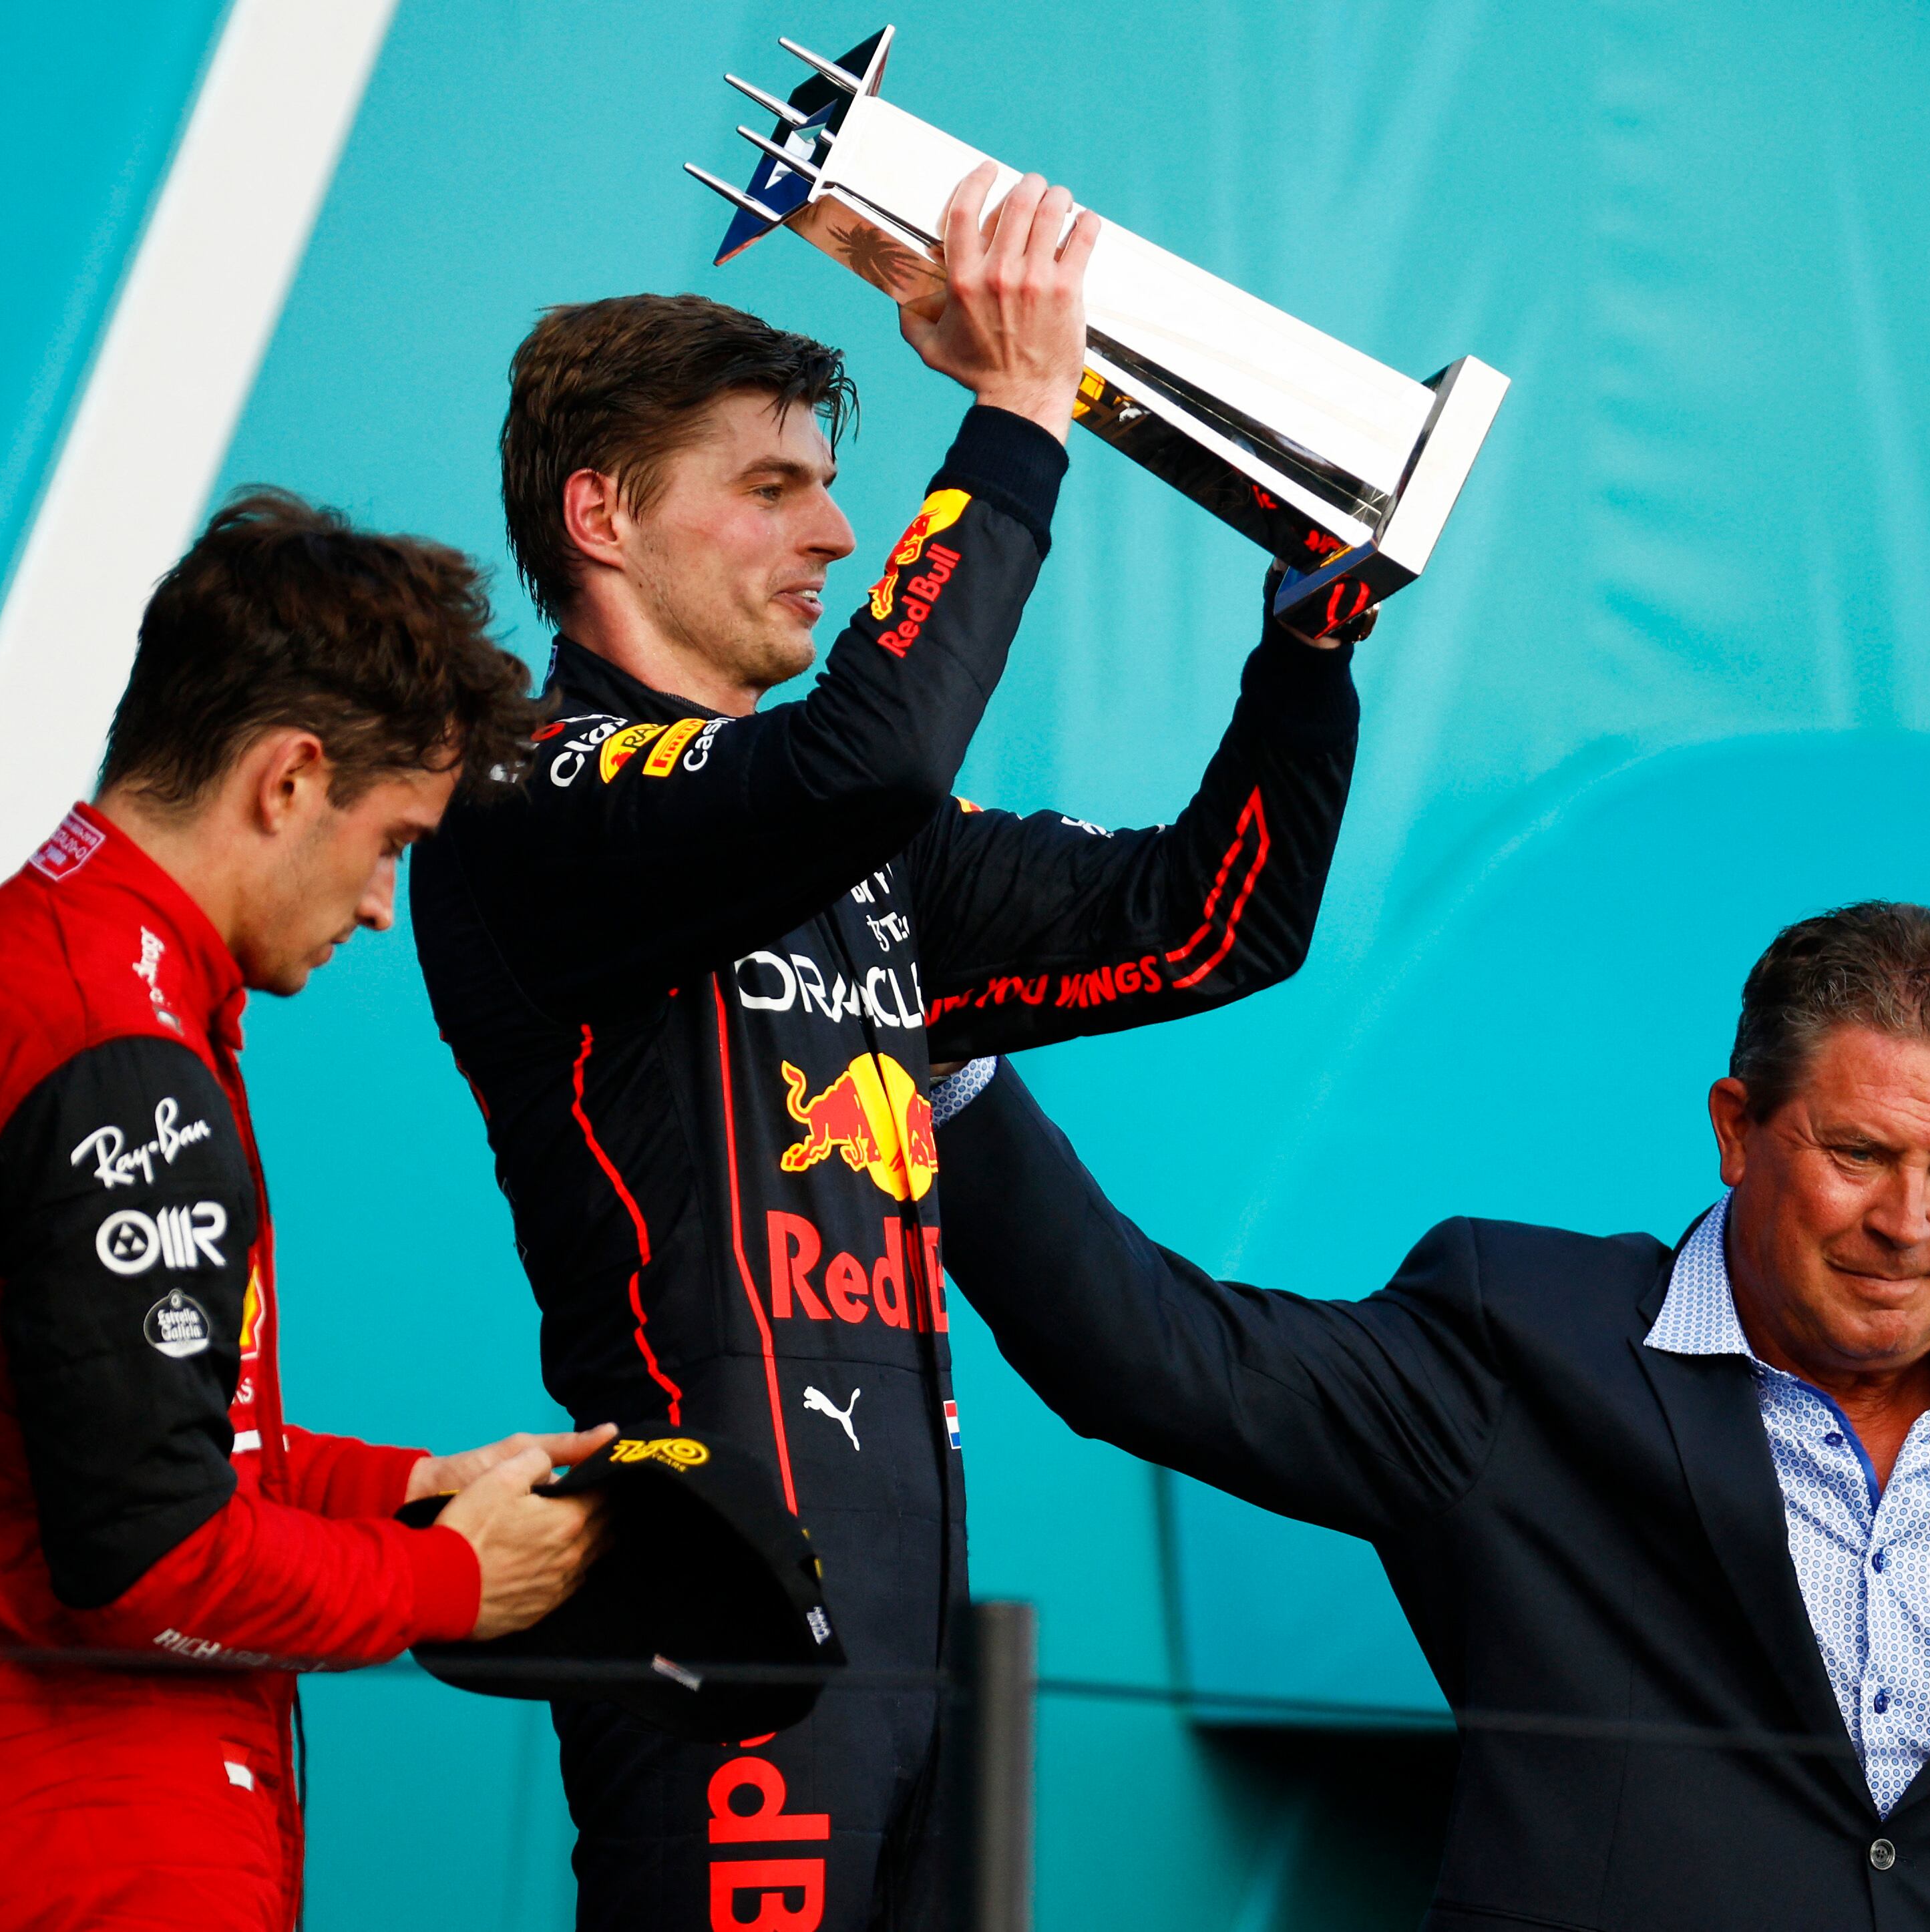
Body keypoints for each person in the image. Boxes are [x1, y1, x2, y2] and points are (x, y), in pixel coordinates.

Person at [412, 167, 1364, 1929]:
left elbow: (1219, 919)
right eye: (774, 489)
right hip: (725, 1655)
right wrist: (1014, 415)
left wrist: (1304, 650)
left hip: (917, 1665)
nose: (835, 533)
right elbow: (866, 759)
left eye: (834, 486)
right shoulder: (525, 798)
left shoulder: (865, 854)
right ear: (604, 514)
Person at [933, 901, 1930, 1929]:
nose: (1909, 1223)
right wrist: (949, 1062)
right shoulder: (1521, 1340)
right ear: (1736, 1129)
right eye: (1857, 1156)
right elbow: (1150, 1354)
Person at [0, 493, 614, 1932]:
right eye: (390, 841)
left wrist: (417, 1487)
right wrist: (449, 1580)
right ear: (288, 779)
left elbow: (90, 1437)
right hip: (85, 1857)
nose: (384, 907)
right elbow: (149, 1555)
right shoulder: (117, 1054)